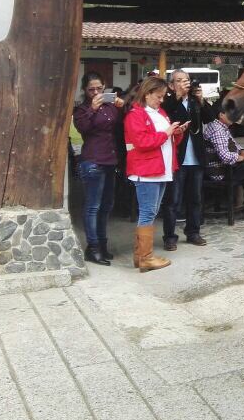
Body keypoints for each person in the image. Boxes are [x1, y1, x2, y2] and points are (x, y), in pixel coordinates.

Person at [124, 76, 186, 272]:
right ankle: (145, 257)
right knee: (148, 212)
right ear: (147, 93)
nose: (161, 100)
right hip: (146, 171)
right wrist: (167, 133)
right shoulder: (135, 115)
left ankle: (140, 255)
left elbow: (165, 138)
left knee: (150, 212)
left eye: (163, 96)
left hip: (160, 170)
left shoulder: (159, 112)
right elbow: (142, 142)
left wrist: (177, 132)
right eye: (158, 96)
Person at [73, 72, 125, 266]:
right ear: (85, 90)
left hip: (110, 160)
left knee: (106, 206)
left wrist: (122, 107)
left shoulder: (110, 106)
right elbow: (83, 128)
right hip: (92, 161)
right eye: (91, 89)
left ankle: (102, 245)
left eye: (99, 88)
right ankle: (92, 248)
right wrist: (93, 109)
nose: (95, 92)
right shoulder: (81, 110)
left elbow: (121, 127)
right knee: (93, 206)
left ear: (105, 87)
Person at [161, 70, 207, 250]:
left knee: (195, 198)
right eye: (179, 81)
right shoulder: (168, 101)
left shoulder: (195, 101)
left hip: (196, 157)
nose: (184, 84)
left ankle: (193, 232)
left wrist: (201, 100)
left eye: (186, 80)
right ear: (171, 86)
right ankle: (170, 236)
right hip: (177, 158)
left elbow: (211, 118)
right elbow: (168, 117)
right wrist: (178, 97)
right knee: (173, 200)